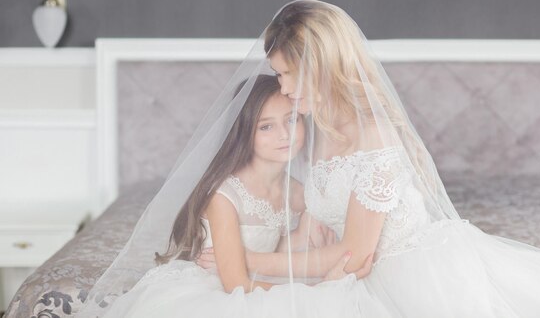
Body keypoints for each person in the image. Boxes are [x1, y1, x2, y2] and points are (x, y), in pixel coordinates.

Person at [196, 0, 540, 317]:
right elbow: (317, 227)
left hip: (415, 273)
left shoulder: (375, 136)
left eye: (289, 74)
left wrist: (249, 260)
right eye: (279, 76)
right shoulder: (318, 129)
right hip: (355, 270)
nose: (284, 88)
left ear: (320, 67)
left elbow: (352, 253)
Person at [94, 75, 386, 318]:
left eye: (292, 120)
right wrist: (319, 290)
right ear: (244, 132)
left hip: (265, 285)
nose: (284, 135)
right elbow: (237, 285)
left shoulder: (301, 194)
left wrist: (313, 243)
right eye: (266, 127)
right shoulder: (224, 196)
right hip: (220, 294)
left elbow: (287, 254)